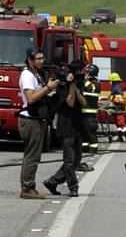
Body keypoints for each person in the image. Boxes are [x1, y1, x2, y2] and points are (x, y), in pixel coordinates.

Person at [18, 49, 59, 199]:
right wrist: (48, 88)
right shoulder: (28, 75)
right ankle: (27, 188)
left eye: (43, 58)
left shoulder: (36, 74)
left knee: (33, 155)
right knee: (32, 156)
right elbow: (31, 98)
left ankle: (28, 187)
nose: (42, 61)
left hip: (36, 119)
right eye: (38, 58)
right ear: (30, 60)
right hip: (30, 120)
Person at [43, 63, 87, 197]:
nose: (83, 73)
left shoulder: (79, 84)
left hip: (78, 125)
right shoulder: (62, 86)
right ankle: (73, 187)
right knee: (69, 160)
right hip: (66, 126)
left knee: (77, 159)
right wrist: (71, 85)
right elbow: (71, 102)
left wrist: (75, 86)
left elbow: (83, 102)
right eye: (81, 70)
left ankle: (53, 181)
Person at [81, 64, 100, 155]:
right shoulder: (92, 82)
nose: (85, 73)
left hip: (89, 113)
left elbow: (88, 88)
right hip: (85, 112)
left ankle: (93, 149)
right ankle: (84, 147)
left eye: (87, 72)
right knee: (84, 131)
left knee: (90, 131)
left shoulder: (93, 83)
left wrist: (85, 79)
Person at [109, 72, 126, 143]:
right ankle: (120, 137)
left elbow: (119, 99)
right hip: (117, 108)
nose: (110, 82)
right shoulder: (116, 87)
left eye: (111, 80)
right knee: (117, 123)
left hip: (119, 109)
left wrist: (111, 99)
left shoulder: (116, 88)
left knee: (121, 123)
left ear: (113, 81)